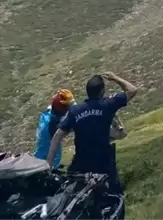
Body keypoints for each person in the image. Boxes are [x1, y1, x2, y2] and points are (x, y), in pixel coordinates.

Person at [47, 71, 137, 210]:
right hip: (104, 164)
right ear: (102, 91)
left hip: (81, 164)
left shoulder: (75, 111)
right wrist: (115, 78)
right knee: (115, 201)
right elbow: (132, 90)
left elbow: (58, 135)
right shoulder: (108, 104)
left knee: (72, 202)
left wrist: (49, 164)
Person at [34, 89, 75, 169]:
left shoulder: (49, 112)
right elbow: (69, 129)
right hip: (47, 162)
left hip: (39, 155)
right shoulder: (55, 125)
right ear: (64, 110)